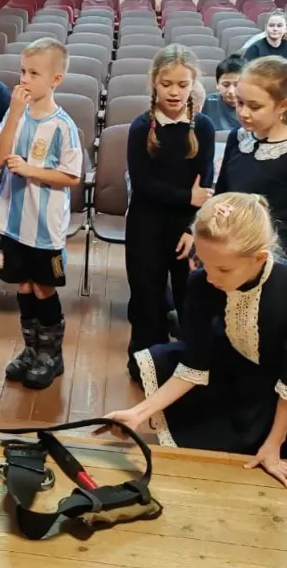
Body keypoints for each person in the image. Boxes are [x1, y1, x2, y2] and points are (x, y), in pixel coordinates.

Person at [101, 192, 287, 486]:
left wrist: (274, 444)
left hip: (286, 397)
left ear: (259, 258)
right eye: (203, 261)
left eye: (222, 268)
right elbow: (194, 366)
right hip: (235, 380)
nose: (210, 276)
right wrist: (139, 413)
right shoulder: (202, 282)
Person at [0, 38, 82, 391]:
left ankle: (51, 355)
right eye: (22, 71)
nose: (25, 80)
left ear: (55, 80)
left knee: (43, 287)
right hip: (13, 222)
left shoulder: (63, 126)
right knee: (23, 284)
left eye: (34, 73)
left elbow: (71, 176)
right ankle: (31, 349)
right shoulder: (15, 115)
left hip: (44, 227)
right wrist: (14, 113)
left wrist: (31, 170)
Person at [125, 45, 216, 369]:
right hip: (145, 228)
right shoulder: (141, 128)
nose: (174, 92)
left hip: (186, 230)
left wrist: (193, 227)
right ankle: (147, 363)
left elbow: (204, 187)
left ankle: (189, 367)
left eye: (182, 84)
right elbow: (143, 184)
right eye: (167, 84)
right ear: (154, 83)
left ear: (193, 84)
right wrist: (184, 197)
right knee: (146, 298)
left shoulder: (203, 127)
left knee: (190, 298)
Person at [215, 56, 287, 267]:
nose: (243, 113)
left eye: (254, 107)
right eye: (240, 103)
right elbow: (222, 195)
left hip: (272, 258)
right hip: (230, 250)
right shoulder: (238, 138)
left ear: (283, 105)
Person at [201, 54, 244, 131]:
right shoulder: (205, 102)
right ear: (217, 84)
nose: (231, 91)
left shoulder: (253, 105)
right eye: (226, 85)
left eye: (237, 85)